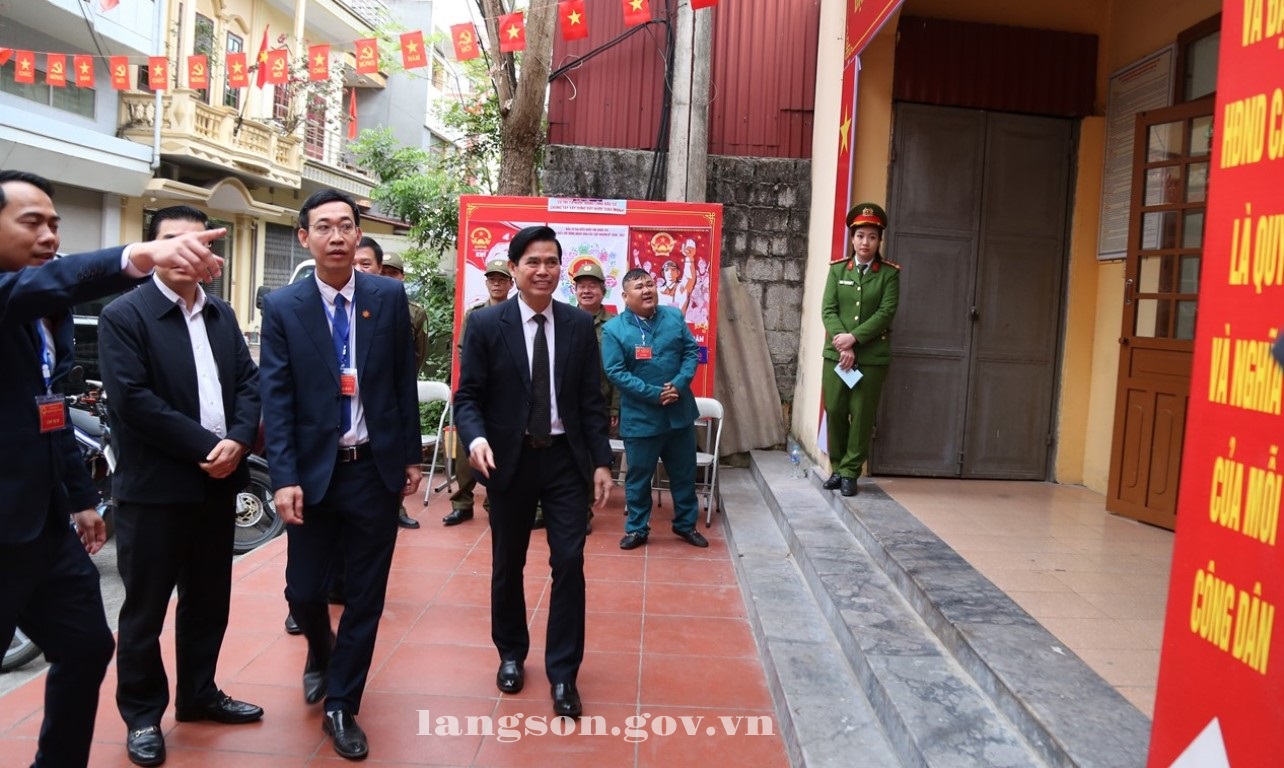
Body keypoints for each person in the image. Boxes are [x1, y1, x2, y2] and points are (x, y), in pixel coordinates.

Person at [0, 169, 226, 768]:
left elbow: (47, 413)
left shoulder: (45, 315)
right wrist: (137, 256)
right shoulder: (27, 297)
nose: (49, 235)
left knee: (85, 646)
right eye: (31, 222)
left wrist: (79, 498)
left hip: (43, 526)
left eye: (55, 223)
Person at [259, 188, 422, 761]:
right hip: (311, 474)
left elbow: (401, 381)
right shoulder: (283, 306)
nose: (336, 236)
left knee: (366, 595)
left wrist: (409, 456)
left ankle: (341, 703)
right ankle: (321, 651)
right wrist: (283, 476)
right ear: (305, 237)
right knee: (303, 591)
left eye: (346, 226)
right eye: (324, 227)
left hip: (372, 469)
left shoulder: (386, 297)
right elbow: (276, 397)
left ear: (358, 234)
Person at [98, 206, 263, 767]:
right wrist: (206, 447)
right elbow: (133, 400)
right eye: (172, 240)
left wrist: (237, 440)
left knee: (209, 600)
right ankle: (143, 715)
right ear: (152, 249)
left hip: (218, 485)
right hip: (155, 490)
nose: (185, 251)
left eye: (197, 241)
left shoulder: (220, 312)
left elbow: (248, 382)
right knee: (144, 610)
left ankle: (199, 693)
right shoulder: (125, 315)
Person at [453, 226, 613, 719]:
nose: (543, 271)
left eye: (551, 262)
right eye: (533, 262)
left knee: (569, 561)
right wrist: (475, 438)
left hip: (565, 460)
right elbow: (468, 396)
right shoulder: (486, 324)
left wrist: (601, 462)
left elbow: (590, 401)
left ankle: (563, 672)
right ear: (515, 268)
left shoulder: (577, 325)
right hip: (509, 459)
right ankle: (510, 653)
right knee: (508, 562)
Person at [602, 268, 706, 550]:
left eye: (649, 284)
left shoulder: (673, 316)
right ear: (625, 296)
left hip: (679, 415)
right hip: (642, 419)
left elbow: (690, 352)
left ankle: (686, 525)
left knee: (684, 475)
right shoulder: (614, 330)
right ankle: (637, 529)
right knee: (638, 478)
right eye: (639, 287)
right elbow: (615, 371)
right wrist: (654, 394)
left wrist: (680, 384)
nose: (647, 290)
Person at [820, 203, 900, 497]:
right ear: (852, 238)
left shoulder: (889, 274)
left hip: (871, 357)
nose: (865, 242)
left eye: (872, 237)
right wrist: (843, 342)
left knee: (862, 414)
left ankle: (851, 472)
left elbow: (886, 313)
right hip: (836, 355)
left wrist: (853, 339)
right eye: (860, 236)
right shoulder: (838, 269)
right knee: (835, 410)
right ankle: (838, 467)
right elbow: (828, 309)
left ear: (879, 241)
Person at [442, 258, 512, 527]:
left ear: (510, 283)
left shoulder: (517, 313)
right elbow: (463, 349)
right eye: (492, 279)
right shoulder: (474, 314)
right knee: (465, 445)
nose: (497, 283)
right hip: (478, 389)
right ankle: (462, 502)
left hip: (505, 392)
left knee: (501, 446)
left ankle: (494, 502)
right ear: (486, 283)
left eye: (502, 279)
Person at [369, 244, 425, 530]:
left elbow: (418, 354)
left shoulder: (414, 312)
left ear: (402, 277)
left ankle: (397, 505)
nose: (388, 278)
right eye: (384, 273)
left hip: (395, 393)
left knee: (395, 450)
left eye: (393, 274)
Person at [570, 256, 620, 535]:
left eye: (592, 286)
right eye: (582, 286)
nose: (586, 291)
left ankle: (583, 511)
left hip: (598, 403)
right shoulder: (562, 319)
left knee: (590, 458)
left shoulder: (615, 325)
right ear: (575, 291)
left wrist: (614, 409)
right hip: (565, 403)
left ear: (603, 290)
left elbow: (619, 371)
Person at [656, 238, 697, 315]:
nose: (670, 273)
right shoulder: (658, 291)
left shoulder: (681, 287)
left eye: (673, 270)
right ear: (663, 273)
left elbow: (689, 278)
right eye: (667, 270)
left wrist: (689, 258)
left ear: (678, 273)